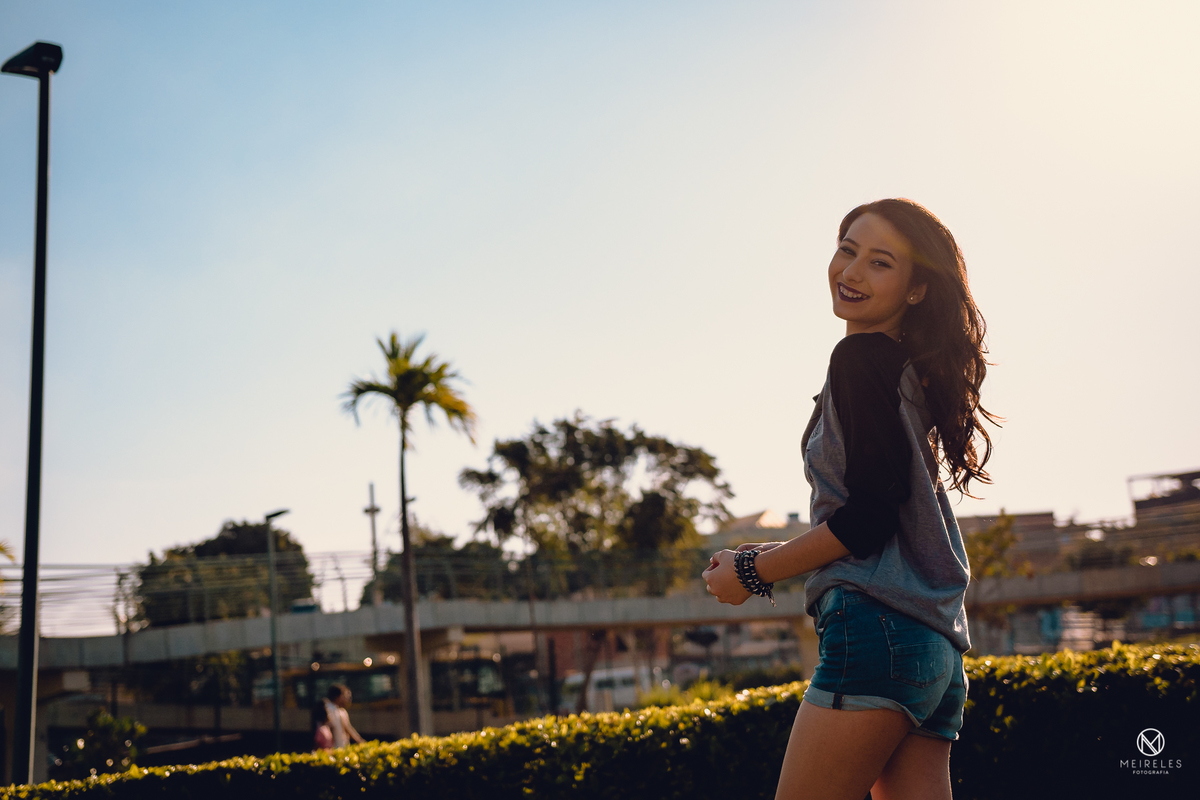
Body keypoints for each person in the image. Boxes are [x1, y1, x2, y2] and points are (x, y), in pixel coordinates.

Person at [703, 198, 996, 800]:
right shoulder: (903, 371)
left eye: (880, 262)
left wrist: (753, 570)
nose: (852, 271)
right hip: (933, 647)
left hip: (878, 630)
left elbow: (868, 517)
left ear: (916, 290)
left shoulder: (860, 359)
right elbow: (877, 504)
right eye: (847, 250)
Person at [323, 684, 367, 748]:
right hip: (332, 749)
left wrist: (360, 741)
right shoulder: (327, 709)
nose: (348, 699)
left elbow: (348, 728)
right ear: (338, 697)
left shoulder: (342, 711)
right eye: (345, 696)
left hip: (342, 748)